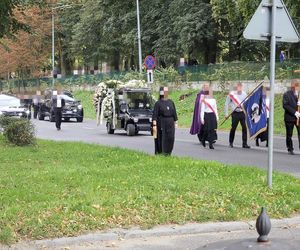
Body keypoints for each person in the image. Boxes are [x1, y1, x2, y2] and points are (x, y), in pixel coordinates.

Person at [152, 86, 178, 155]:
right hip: (162, 123)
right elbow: (155, 115)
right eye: (165, 91)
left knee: (171, 138)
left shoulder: (171, 102)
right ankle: (162, 152)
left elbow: (174, 113)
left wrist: (176, 122)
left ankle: (169, 152)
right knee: (163, 138)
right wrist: (154, 125)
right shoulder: (158, 103)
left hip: (171, 123)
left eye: (167, 91)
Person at [225, 83, 250, 148]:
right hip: (235, 113)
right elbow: (226, 104)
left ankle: (244, 143)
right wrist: (226, 114)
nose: (239, 88)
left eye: (240, 87)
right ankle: (231, 142)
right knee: (233, 128)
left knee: (244, 128)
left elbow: (247, 103)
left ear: (242, 87)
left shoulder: (244, 94)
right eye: (238, 87)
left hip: (242, 113)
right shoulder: (232, 94)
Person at [283, 80, 300, 155]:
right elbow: (285, 105)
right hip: (289, 118)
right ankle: (290, 148)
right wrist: (294, 112)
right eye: (294, 85)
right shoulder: (286, 94)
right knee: (289, 134)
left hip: (298, 118)